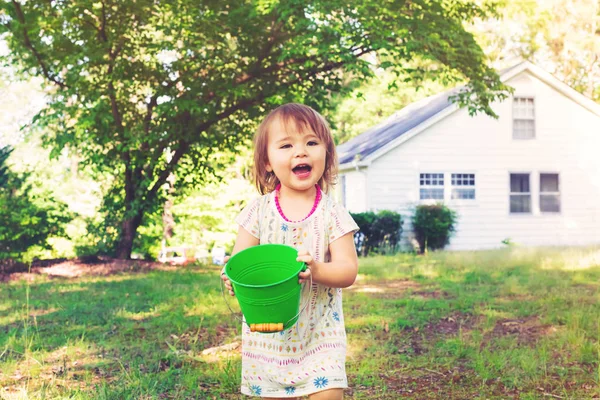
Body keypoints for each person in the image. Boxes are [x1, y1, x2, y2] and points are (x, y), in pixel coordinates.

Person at [221, 103, 359, 399]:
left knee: (329, 392)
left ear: (327, 155)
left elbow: (348, 270)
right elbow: (240, 264)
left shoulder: (333, 214)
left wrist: (319, 270)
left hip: (320, 335)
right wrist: (232, 279)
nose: (301, 152)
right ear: (267, 162)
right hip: (268, 338)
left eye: (312, 143)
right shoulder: (257, 212)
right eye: (286, 145)